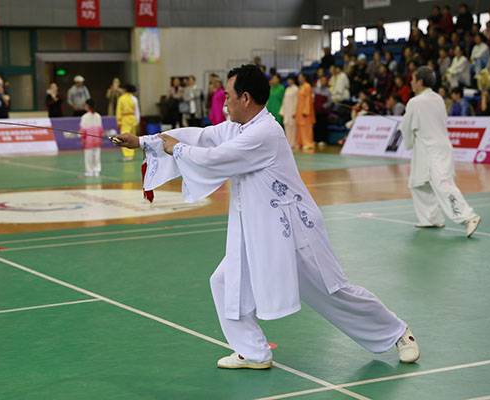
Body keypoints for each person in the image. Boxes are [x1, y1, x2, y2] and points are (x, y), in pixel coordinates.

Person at [114, 64, 420, 368]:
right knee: (225, 281)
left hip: (294, 231)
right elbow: (203, 137)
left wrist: (177, 150)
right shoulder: (238, 128)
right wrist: (143, 141)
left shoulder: (264, 133)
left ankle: (397, 333)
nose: (225, 102)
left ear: (245, 98)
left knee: (333, 292)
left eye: (229, 96)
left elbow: (214, 158)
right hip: (259, 232)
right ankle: (253, 352)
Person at [400, 66, 481, 237]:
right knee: (418, 183)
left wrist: (408, 137)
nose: (411, 82)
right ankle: (431, 219)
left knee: (442, 184)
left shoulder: (414, 102)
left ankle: (469, 217)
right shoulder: (438, 98)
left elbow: (407, 127)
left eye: (413, 79)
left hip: (431, 150)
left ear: (420, 82)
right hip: (435, 147)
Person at [79, 99, 103, 177]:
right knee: (97, 156)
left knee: (88, 157)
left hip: (88, 140)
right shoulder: (98, 116)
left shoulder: (84, 117)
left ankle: (89, 171)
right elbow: (101, 129)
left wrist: (82, 139)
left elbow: (83, 130)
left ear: (87, 106)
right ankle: (97, 171)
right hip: (97, 140)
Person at [116, 84, 140, 161]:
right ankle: (131, 154)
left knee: (124, 137)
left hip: (125, 119)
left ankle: (127, 155)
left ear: (125, 90)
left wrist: (119, 121)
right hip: (133, 119)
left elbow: (118, 110)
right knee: (132, 136)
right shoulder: (134, 98)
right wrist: (137, 120)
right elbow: (137, 111)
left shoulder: (121, 99)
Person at [295, 73, 315, 151]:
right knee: (300, 126)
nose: (299, 79)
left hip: (305, 111)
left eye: (301, 77)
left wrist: (306, 110)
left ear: (304, 78)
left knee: (306, 127)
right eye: (299, 78)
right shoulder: (300, 87)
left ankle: (308, 143)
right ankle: (301, 142)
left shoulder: (307, 86)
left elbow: (308, 99)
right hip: (299, 109)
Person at [279, 75, 298, 149]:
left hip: (292, 110)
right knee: (286, 126)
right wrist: (282, 111)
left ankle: (293, 143)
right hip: (286, 110)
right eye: (288, 80)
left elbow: (296, 101)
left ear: (293, 80)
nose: (289, 81)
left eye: (290, 79)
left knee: (293, 127)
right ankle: (288, 143)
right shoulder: (287, 89)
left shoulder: (296, 89)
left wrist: (295, 111)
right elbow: (284, 101)